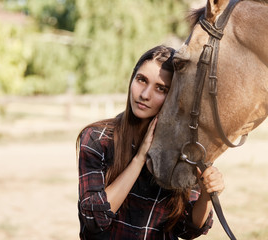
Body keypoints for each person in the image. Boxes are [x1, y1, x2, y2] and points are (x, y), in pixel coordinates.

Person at [76, 45, 225, 240]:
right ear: (132, 78)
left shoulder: (186, 150)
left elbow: (187, 230)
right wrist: (138, 159)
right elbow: (94, 220)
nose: (145, 94)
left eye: (161, 88)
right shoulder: (97, 139)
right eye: (141, 80)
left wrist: (206, 195)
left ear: (175, 96)